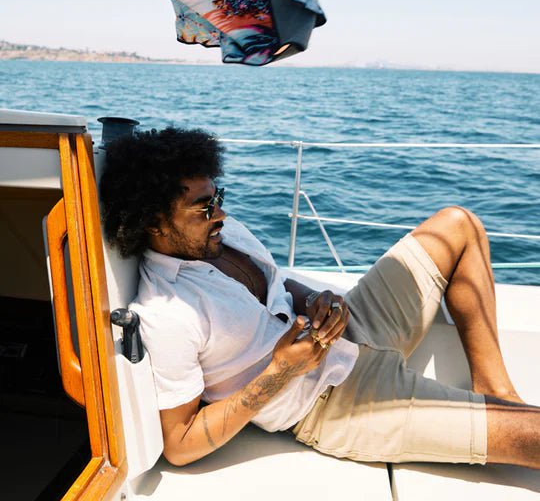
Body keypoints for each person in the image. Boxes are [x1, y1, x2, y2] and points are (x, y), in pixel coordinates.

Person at [100, 126, 540, 470]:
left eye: (218, 197)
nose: (221, 213)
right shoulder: (166, 313)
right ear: (153, 222)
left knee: (459, 224)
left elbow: (277, 285)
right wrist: (281, 372)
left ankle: (496, 389)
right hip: (334, 404)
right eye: (204, 207)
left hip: (351, 326)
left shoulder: (218, 236)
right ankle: (505, 413)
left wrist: (316, 298)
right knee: (531, 434)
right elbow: (180, 444)